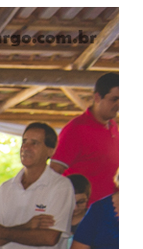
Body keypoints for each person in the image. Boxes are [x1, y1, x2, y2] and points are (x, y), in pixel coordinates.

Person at [51, 72, 119, 204]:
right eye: (114, 99)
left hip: (107, 210)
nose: (119, 104)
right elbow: (54, 172)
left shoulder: (113, 126)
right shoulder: (76, 129)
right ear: (97, 97)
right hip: (81, 214)